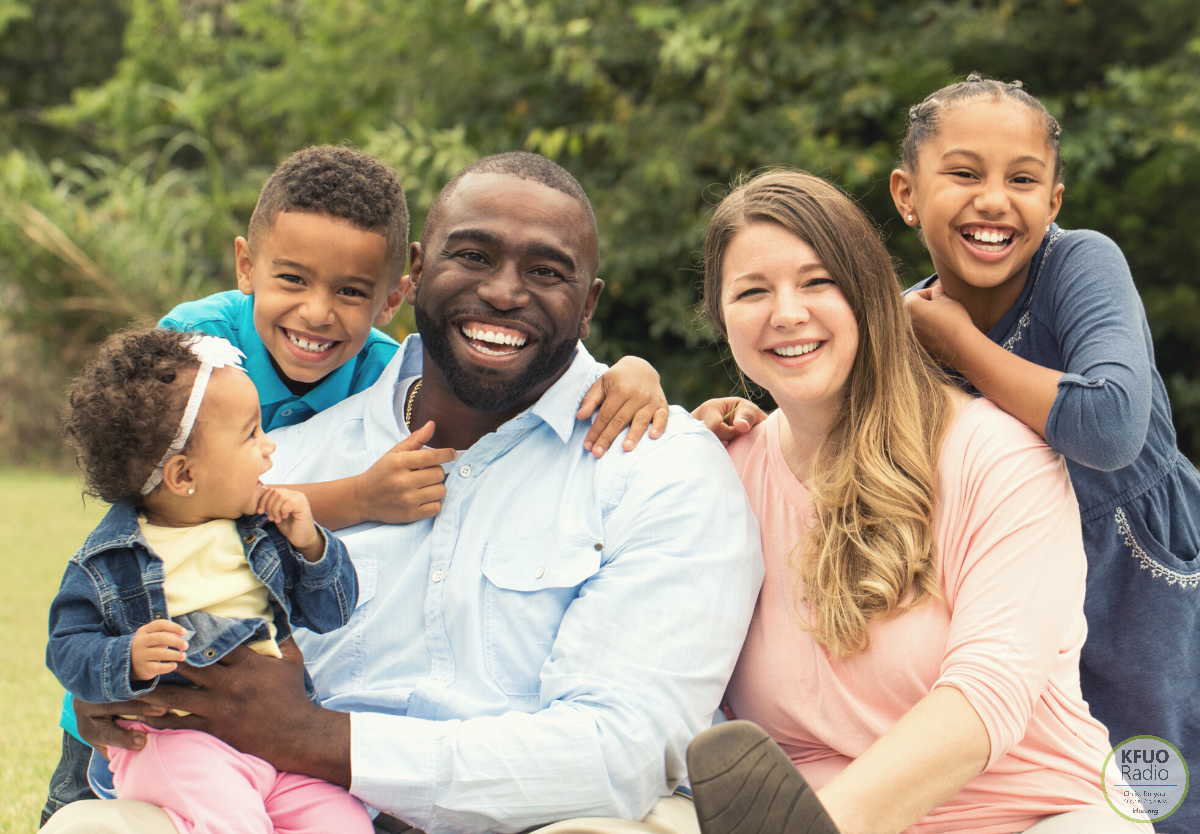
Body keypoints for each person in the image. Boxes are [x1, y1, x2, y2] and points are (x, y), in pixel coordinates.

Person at [42, 151, 764, 834]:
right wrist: (117, 690)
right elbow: (136, 589)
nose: (504, 290)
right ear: (416, 274)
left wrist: (322, 740)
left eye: (547, 271)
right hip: (292, 805)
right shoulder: (273, 460)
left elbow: (624, 750)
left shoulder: (658, 464)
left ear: (588, 304)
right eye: (474, 255)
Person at [684, 170, 1142, 834]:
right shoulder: (720, 475)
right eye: (752, 291)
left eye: (817, 282)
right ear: (722, 317)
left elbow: (986, 698)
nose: (786, 313)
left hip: (1030, 817)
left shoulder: (999, 458)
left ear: (872, 293)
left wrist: (815, 828)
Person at [47, 329, 370, 834]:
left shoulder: (263, 532)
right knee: (234, 822)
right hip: (176, 744)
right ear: (182, 476)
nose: (270, 447)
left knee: (343, 819)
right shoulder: (108, 562)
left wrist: (310, 545)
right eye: (251, 434)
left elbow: (332, 612)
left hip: (270, 741)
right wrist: (126, 657)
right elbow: (66, 649)